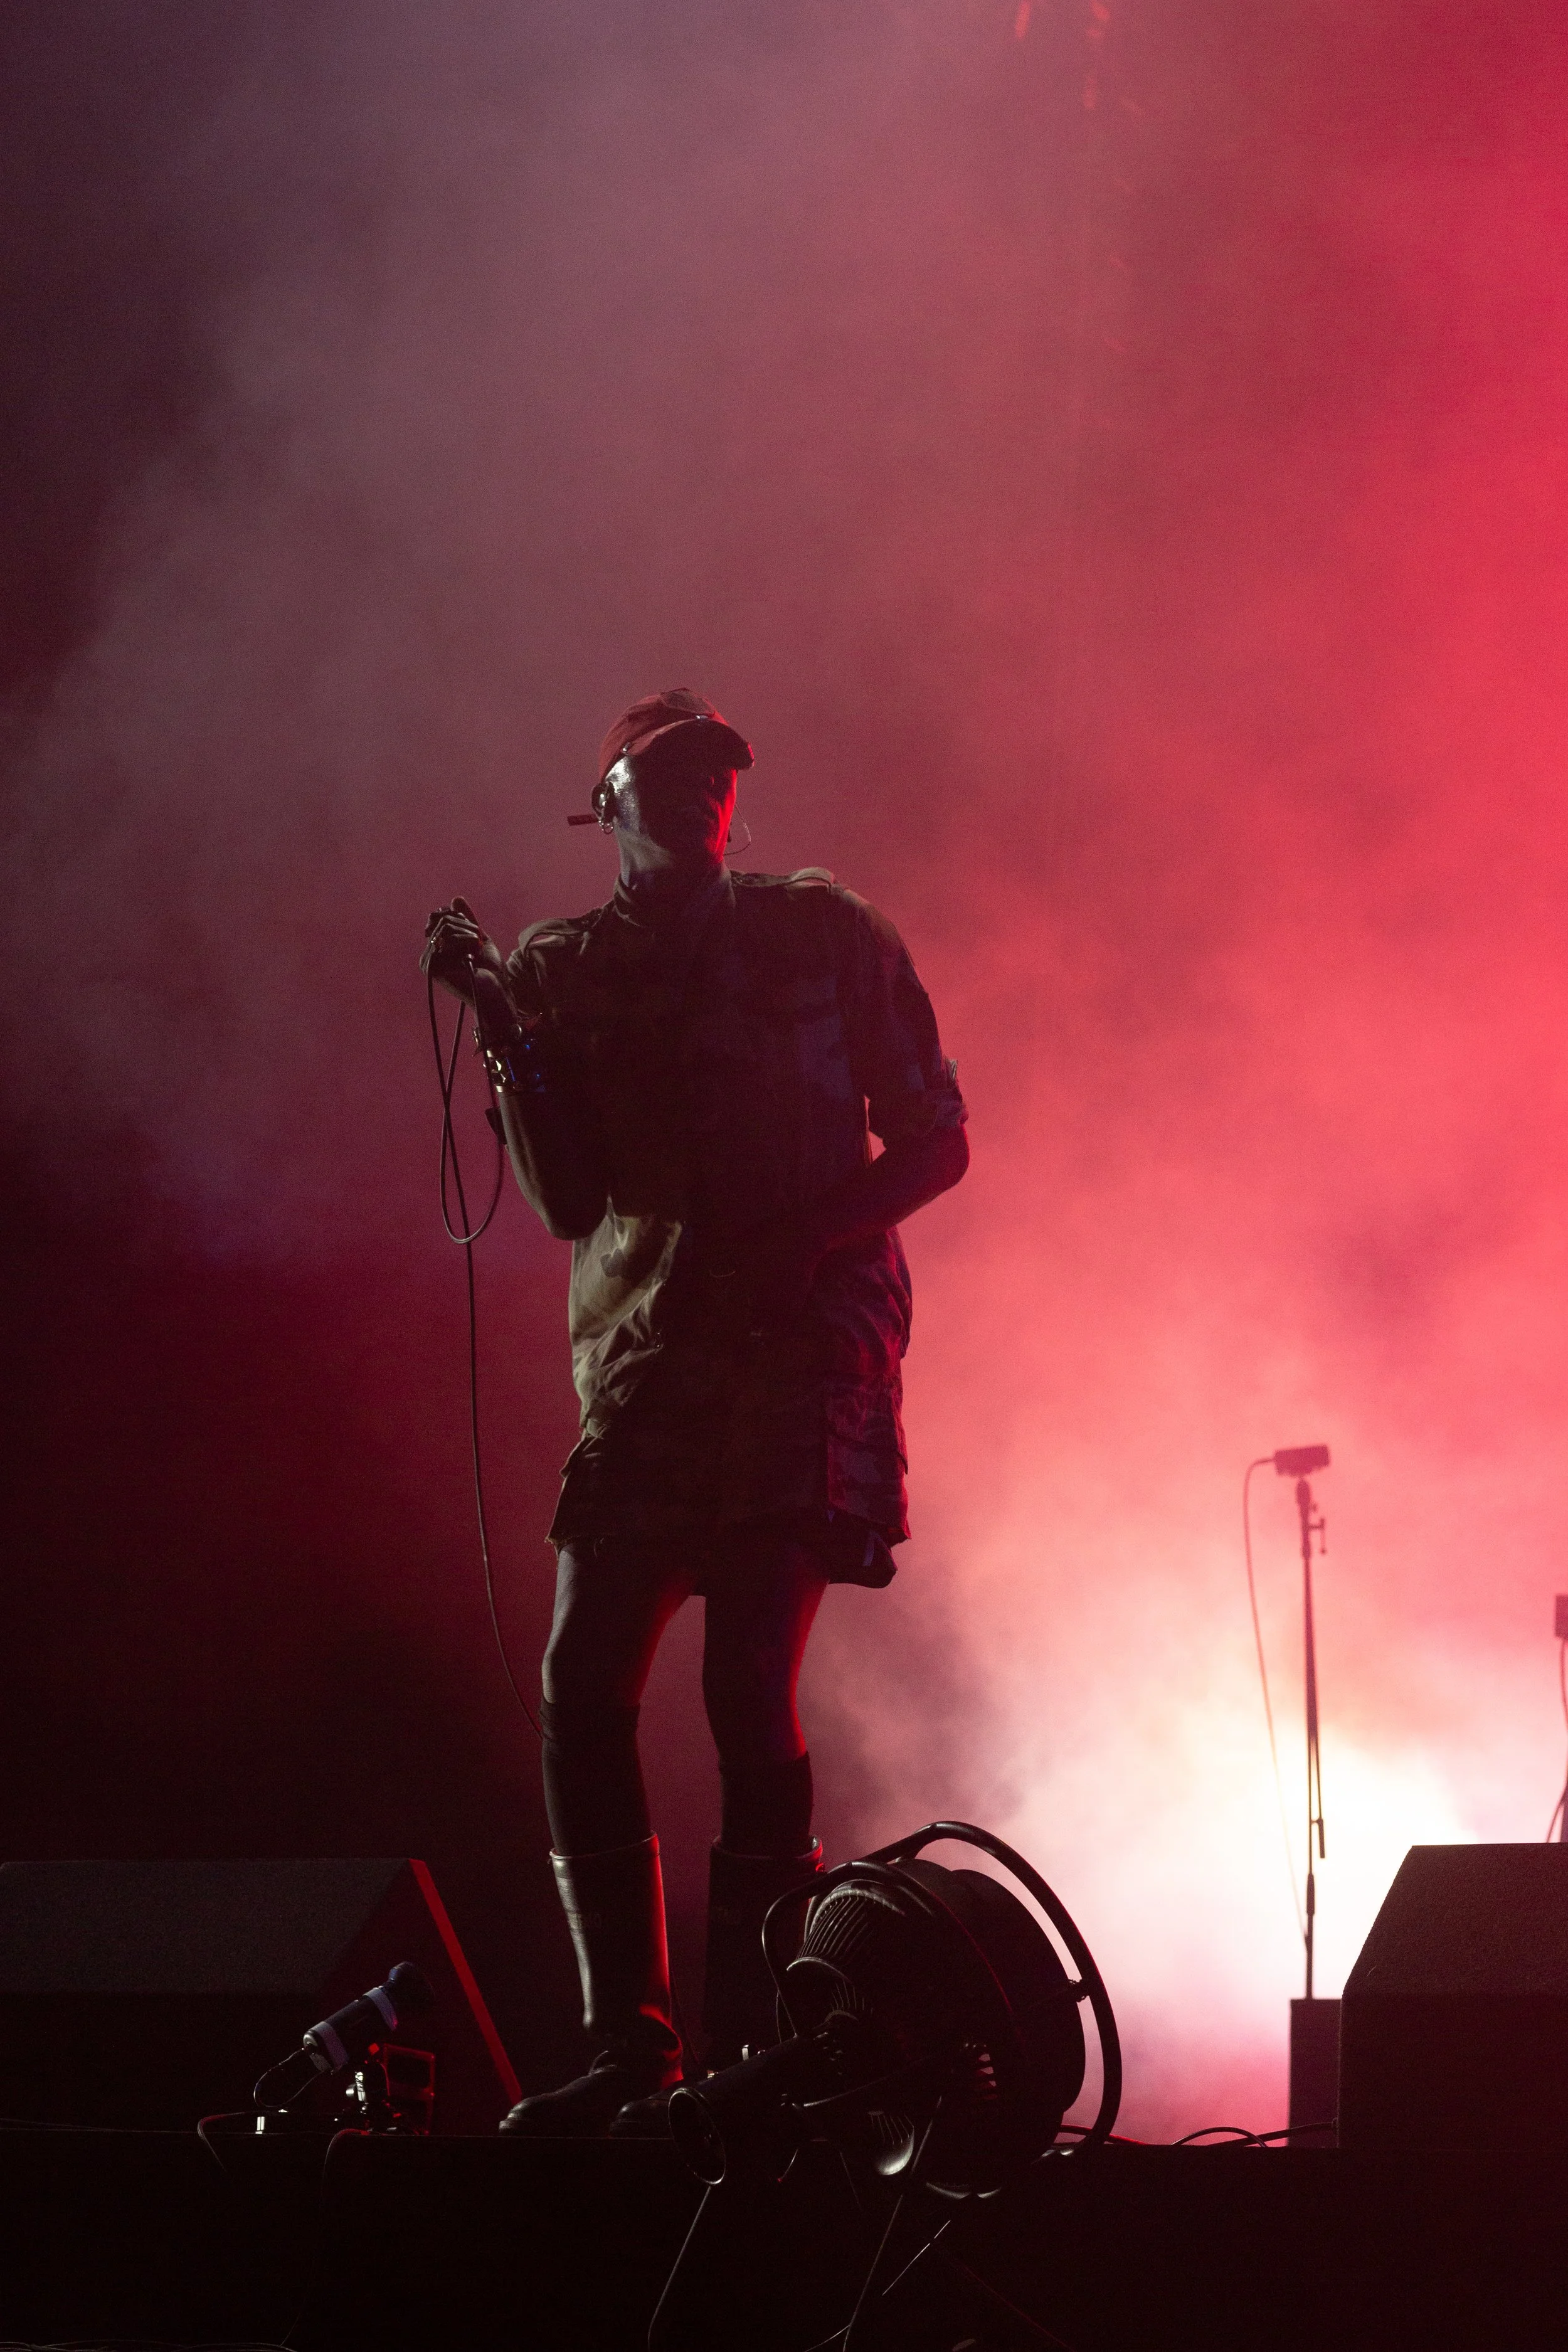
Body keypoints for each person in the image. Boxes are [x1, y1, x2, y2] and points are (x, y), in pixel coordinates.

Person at [421, 687, 968, 2136]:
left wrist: (812, 1237)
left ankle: (753, 2058)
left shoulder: (823, 932)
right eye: (663, 776)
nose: (696, 793)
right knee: (580, 1678)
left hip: (803, 1349)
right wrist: (500, 1027)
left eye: (715, 772)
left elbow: (936, 1138)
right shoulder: (563, 967)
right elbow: (566, 1200)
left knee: (744, 1684)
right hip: (651, 1362)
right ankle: (633, 2050)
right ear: (604, 801)